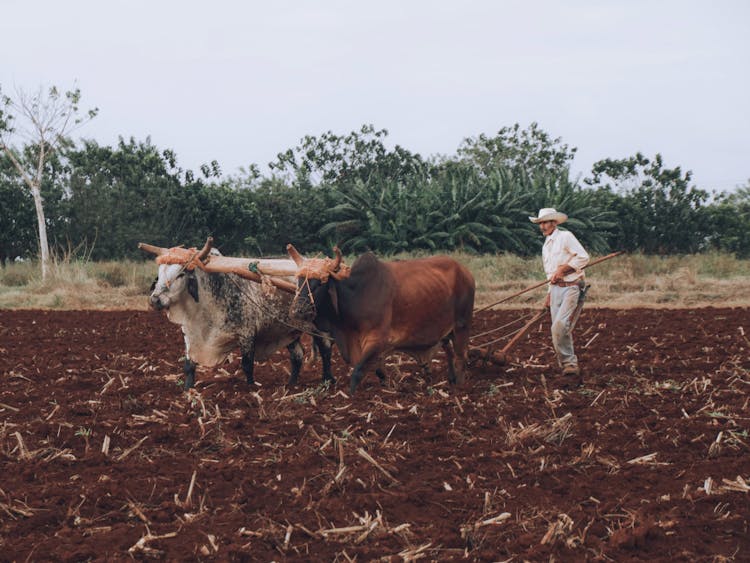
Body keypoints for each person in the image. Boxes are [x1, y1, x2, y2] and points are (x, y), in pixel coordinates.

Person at [529, 208, 590, 377]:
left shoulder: (566, 237)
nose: (542, 226)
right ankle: (565, 365)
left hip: (572, 286)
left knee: (560, 325)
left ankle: (570, 363)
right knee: (556, 329)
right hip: (556, 289)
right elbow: (550, 275)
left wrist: (564, 269)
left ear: (554, 223)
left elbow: (584, 257)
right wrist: (549, 294)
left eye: (545, 223)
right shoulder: (546, 247)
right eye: (540, 223)